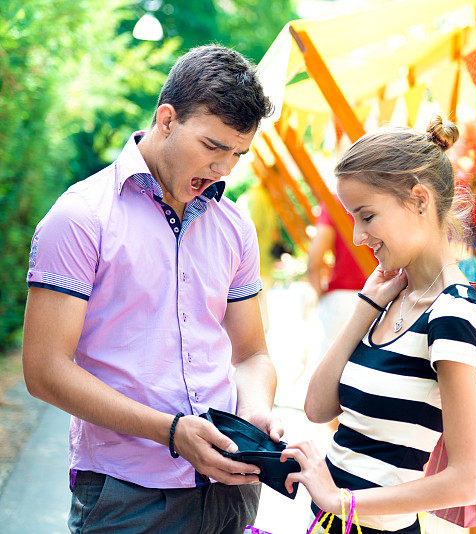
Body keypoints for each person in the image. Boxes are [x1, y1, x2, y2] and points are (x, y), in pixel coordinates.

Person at [22, 45, 281, 533]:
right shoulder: (81, 217)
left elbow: (251, 354)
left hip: (230, 491)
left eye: (238, 154)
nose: (225, 169)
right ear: (167, 119)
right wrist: (171, 433)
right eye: (212, 146)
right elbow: (43, 370)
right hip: (126, 497)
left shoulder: (235, 223)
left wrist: (255, 418)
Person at [281, 117, 476, 533]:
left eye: (367, 216)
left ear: (419, 200)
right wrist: (364, 308)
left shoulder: (452, 311)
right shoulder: (391, 295)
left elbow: (468, 482)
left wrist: (342, 501)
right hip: (330, 522)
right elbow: (318, 408)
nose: (358, 235)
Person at [307, 202, 368, 356]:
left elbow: (314, 261)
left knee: (329, 364)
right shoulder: (383, 195)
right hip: (384, 297)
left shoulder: (333, 202)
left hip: (341, 298)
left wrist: (320, 293)